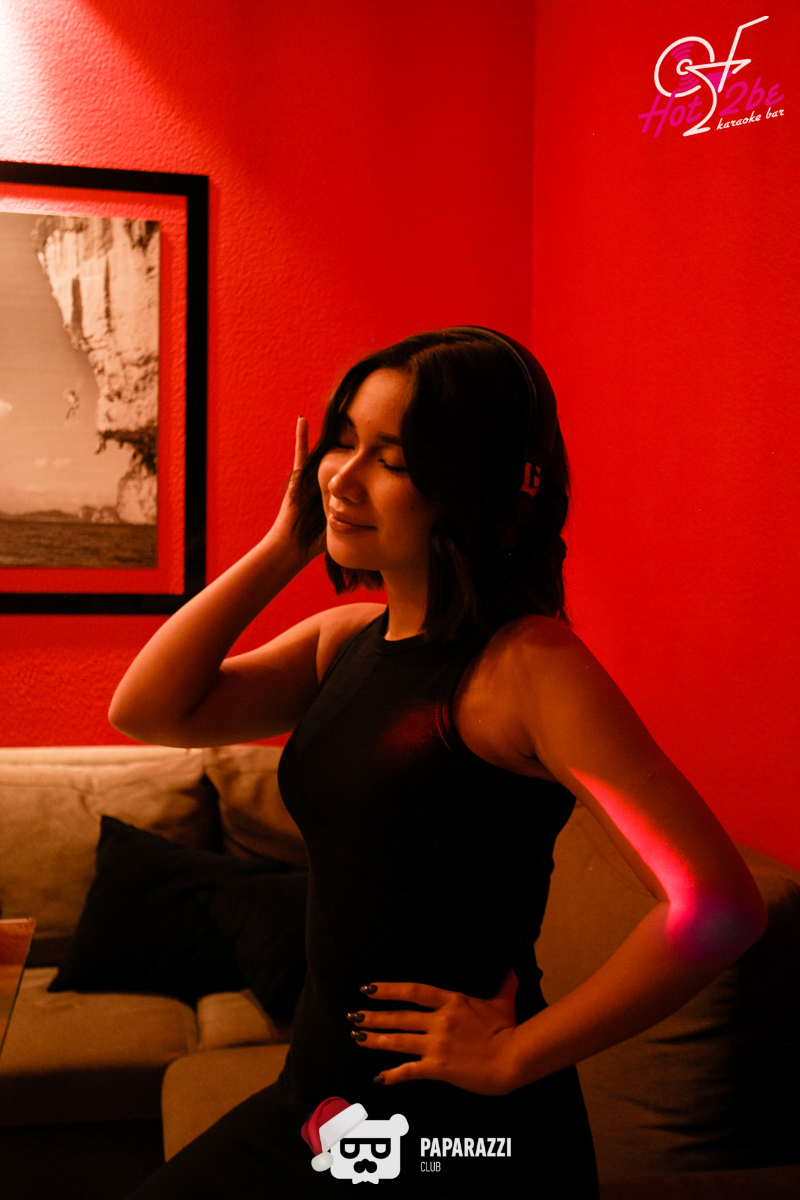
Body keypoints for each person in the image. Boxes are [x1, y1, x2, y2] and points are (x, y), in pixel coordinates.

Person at [112, 328, 766, 1199]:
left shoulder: (529, 667)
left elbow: (718, 907)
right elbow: (150, 711)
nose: (342, 476)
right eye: (343, 441)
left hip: (457, 1135)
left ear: (470, 489)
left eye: (393, 459)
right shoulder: (345, 642)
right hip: (322, 1107)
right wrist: (285, 546)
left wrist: (514, 1056)